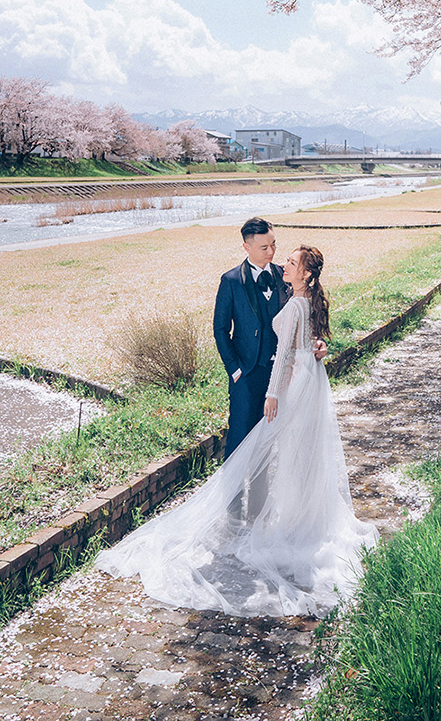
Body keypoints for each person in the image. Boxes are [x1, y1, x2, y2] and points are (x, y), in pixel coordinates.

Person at [95, 245, 378, 616]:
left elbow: (286, 353)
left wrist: (274, 393)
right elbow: (287, 341)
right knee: (301, 453)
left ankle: (294, 524)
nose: (281, 261)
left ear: (306, 274)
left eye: (289, 260)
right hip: (307, 379)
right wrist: (309, 349)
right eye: (277, 253)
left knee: (292, 453)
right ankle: (299, 520)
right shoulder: (293, 295)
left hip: (293, 381)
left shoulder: (294, 300)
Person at [212, 216, 325, 457]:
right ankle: (232, 496)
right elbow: (220, 330)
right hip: (246, 373)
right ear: (247, 247)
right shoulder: (230, 281)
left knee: (274, 447)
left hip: (284, 377)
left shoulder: (284, 276)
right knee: (239, 443)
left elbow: (302, 318)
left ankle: (261, 496)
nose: (272, 251)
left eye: (274, 244)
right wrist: (235, 370)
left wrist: (316, 342)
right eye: (264, 247)